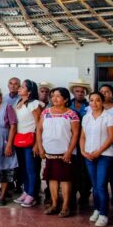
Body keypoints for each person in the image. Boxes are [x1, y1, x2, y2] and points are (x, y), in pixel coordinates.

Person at [37, 87, 80, 217]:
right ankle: (55, 204)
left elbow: (76, 134)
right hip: (49, 151)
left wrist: (69, 151)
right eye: (53, 96)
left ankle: (65, 206)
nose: (54, 98)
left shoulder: (71, 114)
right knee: (52, 178)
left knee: (65, 179)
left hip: (65, 152)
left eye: (58, 96)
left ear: (66, 99)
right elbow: (39, 130)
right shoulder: (46, 113)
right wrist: (40, 147)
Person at [80, 92, 113, 227]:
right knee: (95, 185)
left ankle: (104, 214)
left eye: (97, 100)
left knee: (101, 186)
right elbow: (82, 137)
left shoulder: (109, 117)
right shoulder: (86, 117)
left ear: (102, 102)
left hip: (104, 155)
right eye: (91, 100)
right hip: (89, 155)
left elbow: (111, 138)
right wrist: (83, 152)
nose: (94, 103)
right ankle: (96, 209)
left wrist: (98, 152)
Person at [13, 79, 42, 208]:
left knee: (31, 168)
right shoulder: (18, 102)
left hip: (31, 139)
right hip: (19, 139)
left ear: (29, 91)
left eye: (23, 87)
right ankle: (26, 191)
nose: (19, 88)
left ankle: (32, 194)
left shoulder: (34, 104)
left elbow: (39, 124)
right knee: (23, 168)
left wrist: (37, 143)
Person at [68, 78, 92, 209]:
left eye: (82, 91)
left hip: (85, 142)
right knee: (72, 169)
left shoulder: (89, 107)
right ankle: (71, 195)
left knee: (85, 171)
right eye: (77, 91)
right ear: (73, 92)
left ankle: (84, 194)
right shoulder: (67, 106)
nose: (80, 93)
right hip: (70, 142)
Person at [98, 84, 113, 213]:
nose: (104, 93)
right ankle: (100, 203)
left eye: (107, 91)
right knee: (101, 178)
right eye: (102, 91)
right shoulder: (95, 107)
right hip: (98, 147)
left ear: (111, 94)